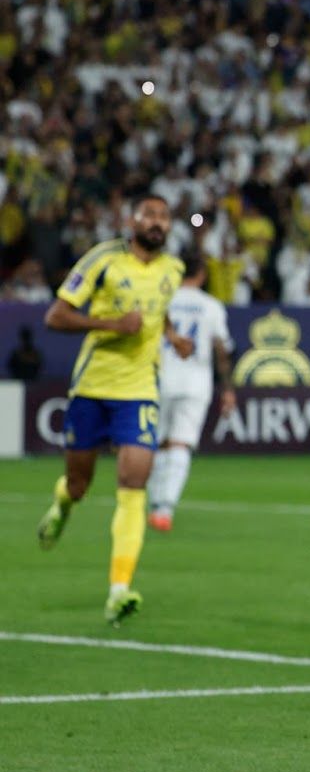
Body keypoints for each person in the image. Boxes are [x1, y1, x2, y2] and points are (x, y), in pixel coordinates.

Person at [35, 194, 190, 624]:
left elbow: (159, 313)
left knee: (133, 483)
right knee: (79, 484)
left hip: (140, 390)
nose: (158, 222)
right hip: (92, 387)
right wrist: (112, 326)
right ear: (132, 220)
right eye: (150, 215)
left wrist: (174, 337)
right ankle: (62, 505)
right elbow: (56, 316)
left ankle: (119, 589)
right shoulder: (102, 259)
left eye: (164, 216)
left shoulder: (173, 270)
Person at [148, 259, 236, 531]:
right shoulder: (211, 306)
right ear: (201, 274)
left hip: (158, 379)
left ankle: (154, 502)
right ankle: (165, 508)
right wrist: (228, 389)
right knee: (180, 443)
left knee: (157, 442)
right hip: (195, 383)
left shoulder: (162, 299)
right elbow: (221, 349)